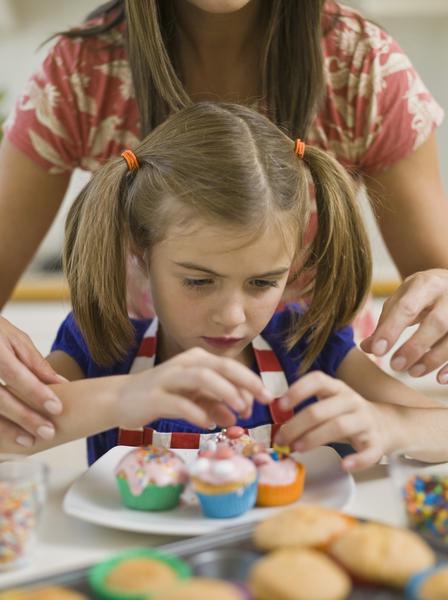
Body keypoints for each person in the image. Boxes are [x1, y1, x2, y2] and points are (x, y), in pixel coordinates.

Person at [1, 0, 448, 448]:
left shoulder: (309, 345)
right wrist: (123, 396)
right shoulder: (103, 346)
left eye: (262, 282)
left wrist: (392, 426)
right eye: (197, 280)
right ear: (141, 247)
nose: (232, 315)